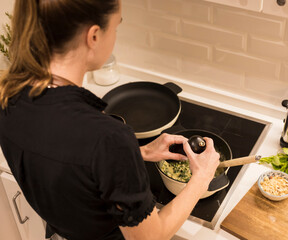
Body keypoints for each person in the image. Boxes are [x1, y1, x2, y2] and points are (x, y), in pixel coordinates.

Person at [0, 0, 220, 239]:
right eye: (116, 27)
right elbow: (150, 237)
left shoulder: (8, 96)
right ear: (93, 36)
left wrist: (139, 153)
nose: (115, 35)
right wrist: (201, 179)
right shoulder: (108, 137)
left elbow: (66, 162)